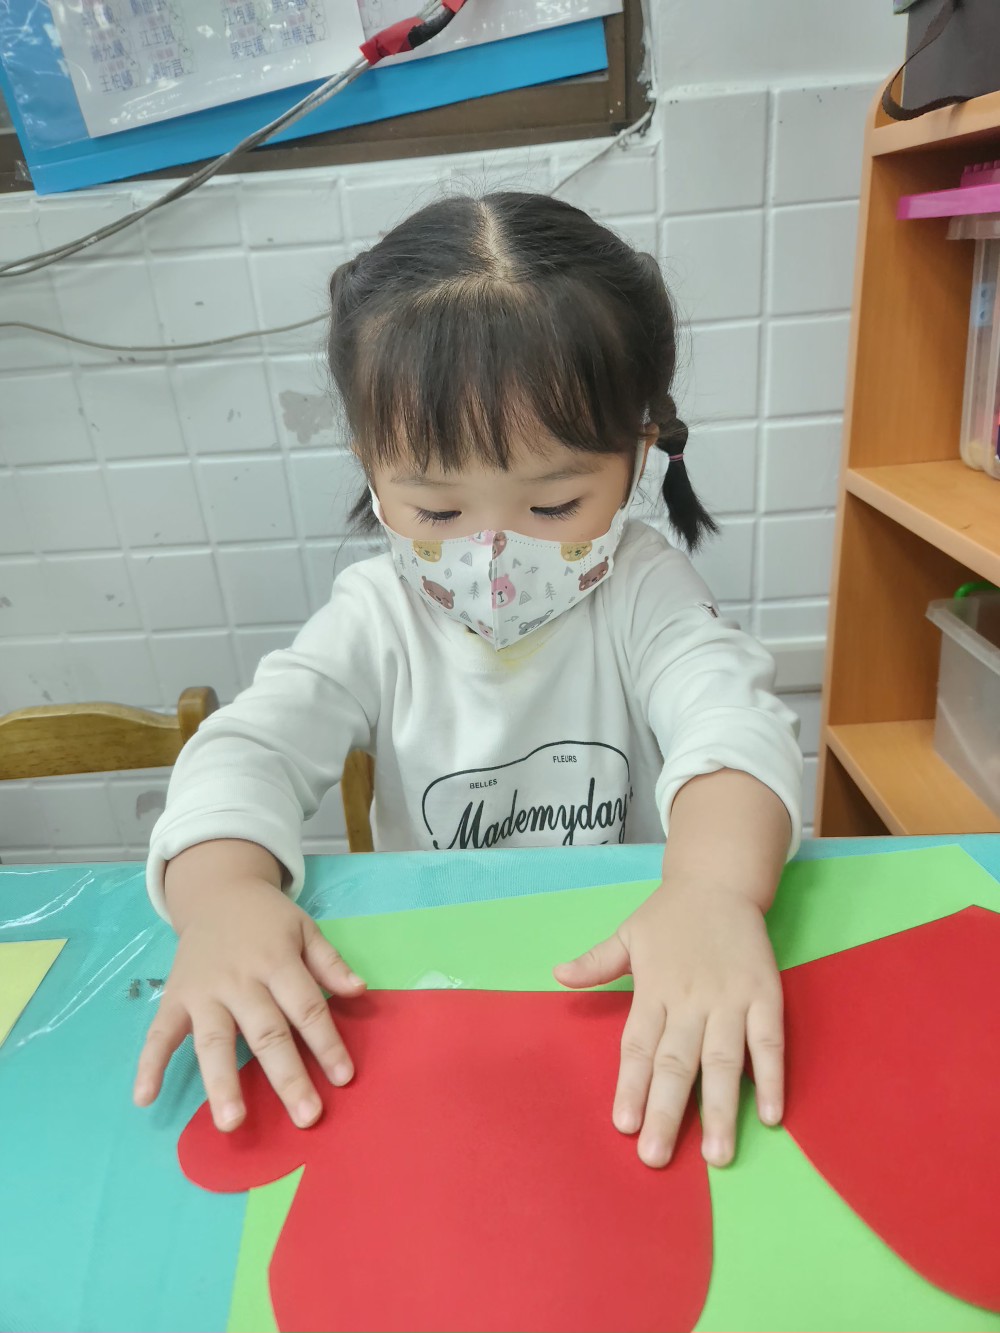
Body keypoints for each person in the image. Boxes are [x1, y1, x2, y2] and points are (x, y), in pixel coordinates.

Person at [134, 192, 802, 1171]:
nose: (492, 555)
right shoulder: (378, 613)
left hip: (630, 988)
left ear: (637, 454)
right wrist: (222, 895)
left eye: (554, 503)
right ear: (372, 470)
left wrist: (711, 888)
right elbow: (248, 749)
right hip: (439, 1004)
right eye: (438, 511)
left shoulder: (642, 589)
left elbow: (733, 725)